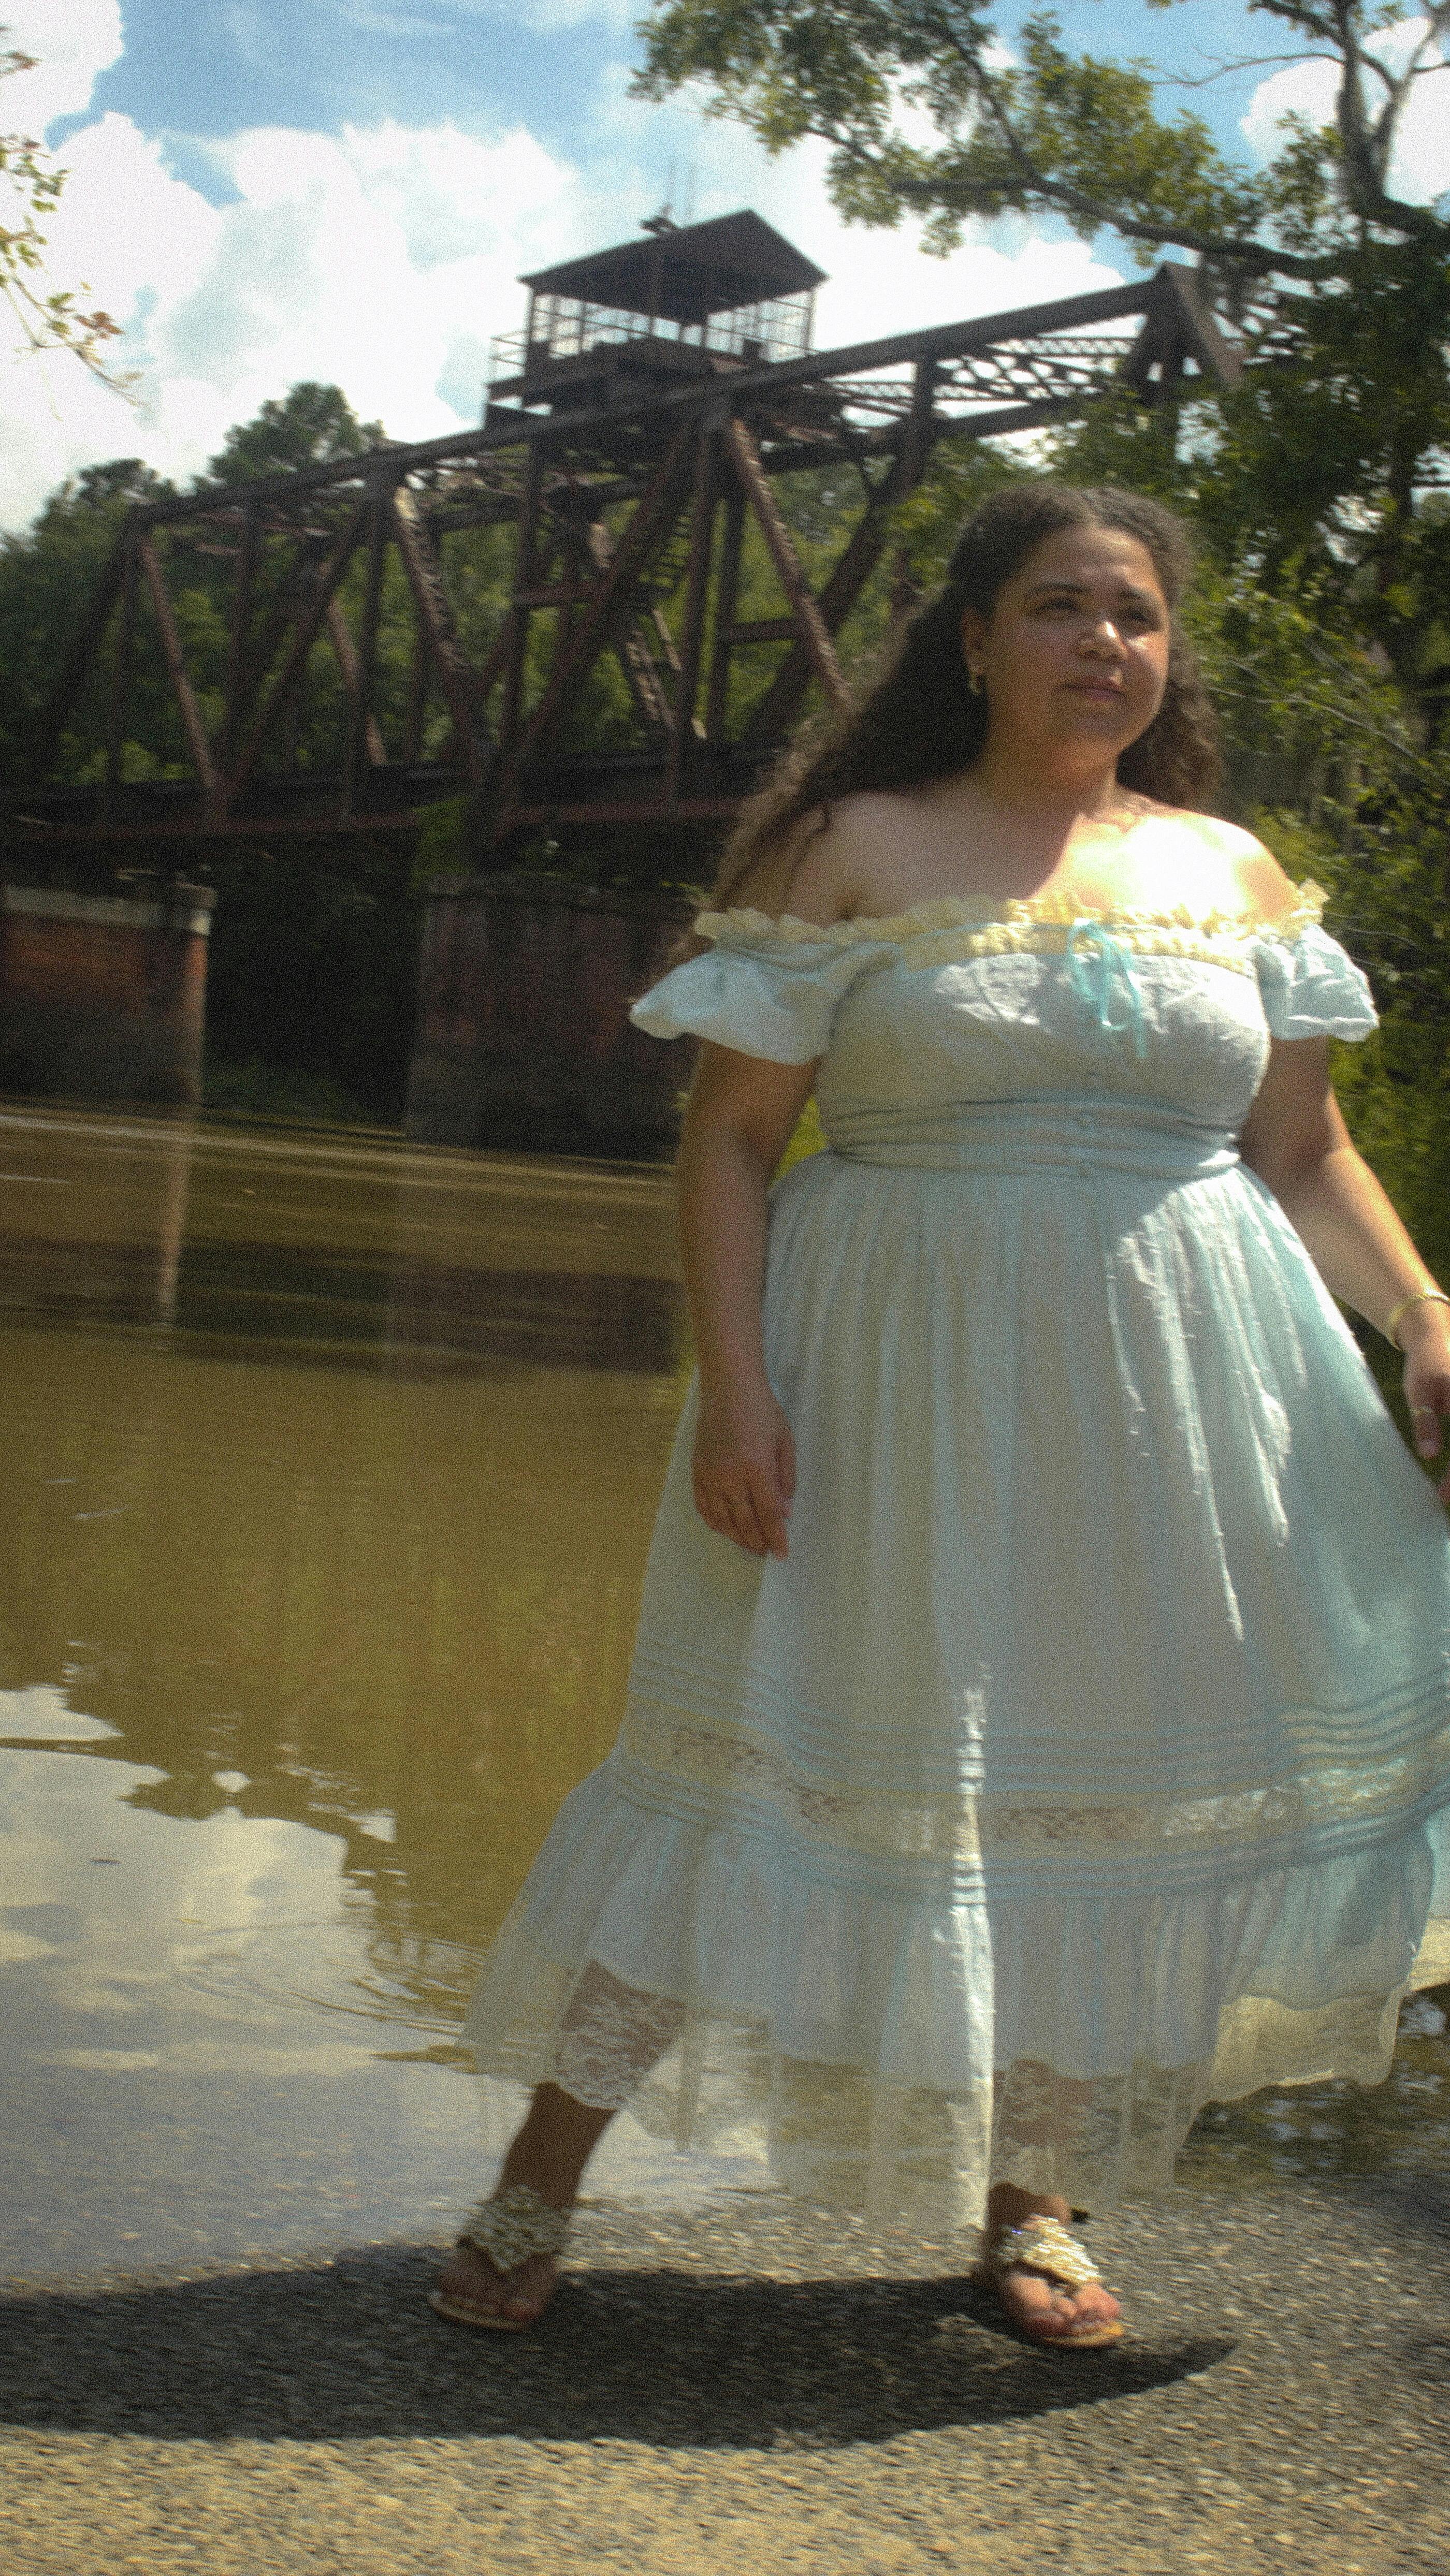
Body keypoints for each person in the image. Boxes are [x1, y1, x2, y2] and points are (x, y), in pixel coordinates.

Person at [433, 482, 1450, 2351]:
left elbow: (1302, 1151)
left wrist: (1424, 1314)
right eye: (1060, 607)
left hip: (1179, 1405)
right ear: (973, 639)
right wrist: (737, 1392)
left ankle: (1032, 2210)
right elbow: (731, 1143)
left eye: (1136, 614)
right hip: (883, 1386)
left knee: (1097, 1785)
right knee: (752, 1763)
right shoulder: (852, 846)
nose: (1104, 644)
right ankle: (538, 2178)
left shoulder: (1234, 873)